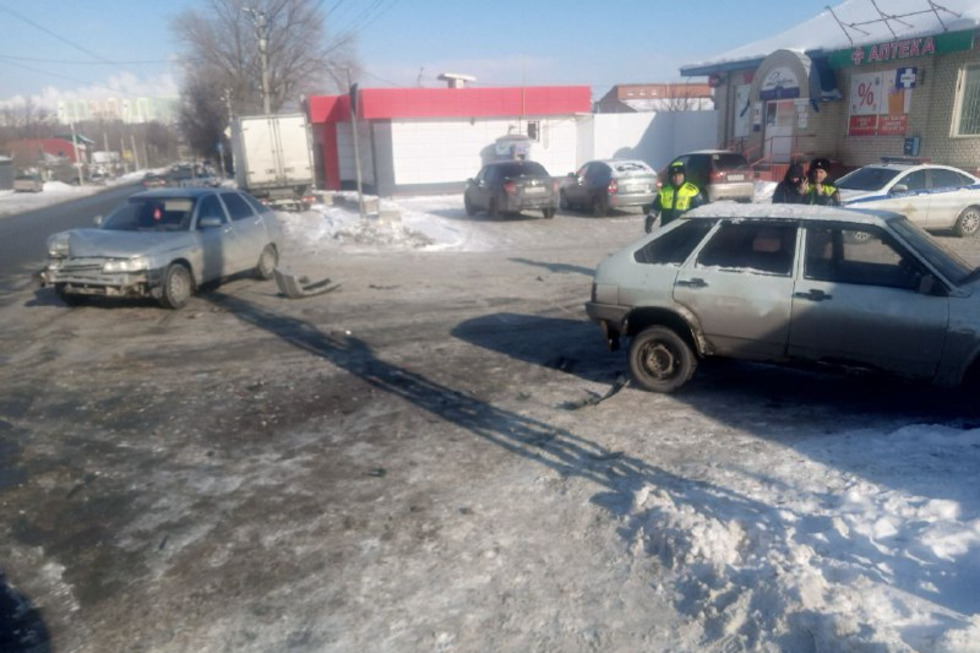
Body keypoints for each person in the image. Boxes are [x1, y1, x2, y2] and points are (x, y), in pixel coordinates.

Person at [644, 161, 706, 233]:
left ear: (684, 176)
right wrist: (649, 220)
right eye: (674, 176)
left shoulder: (692, 191)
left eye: (680, 175)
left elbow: (700, 212)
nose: (677, 178)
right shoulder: (664, 191)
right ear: (670, 177)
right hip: (666, 230)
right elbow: (655, 209)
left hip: (686, 230)